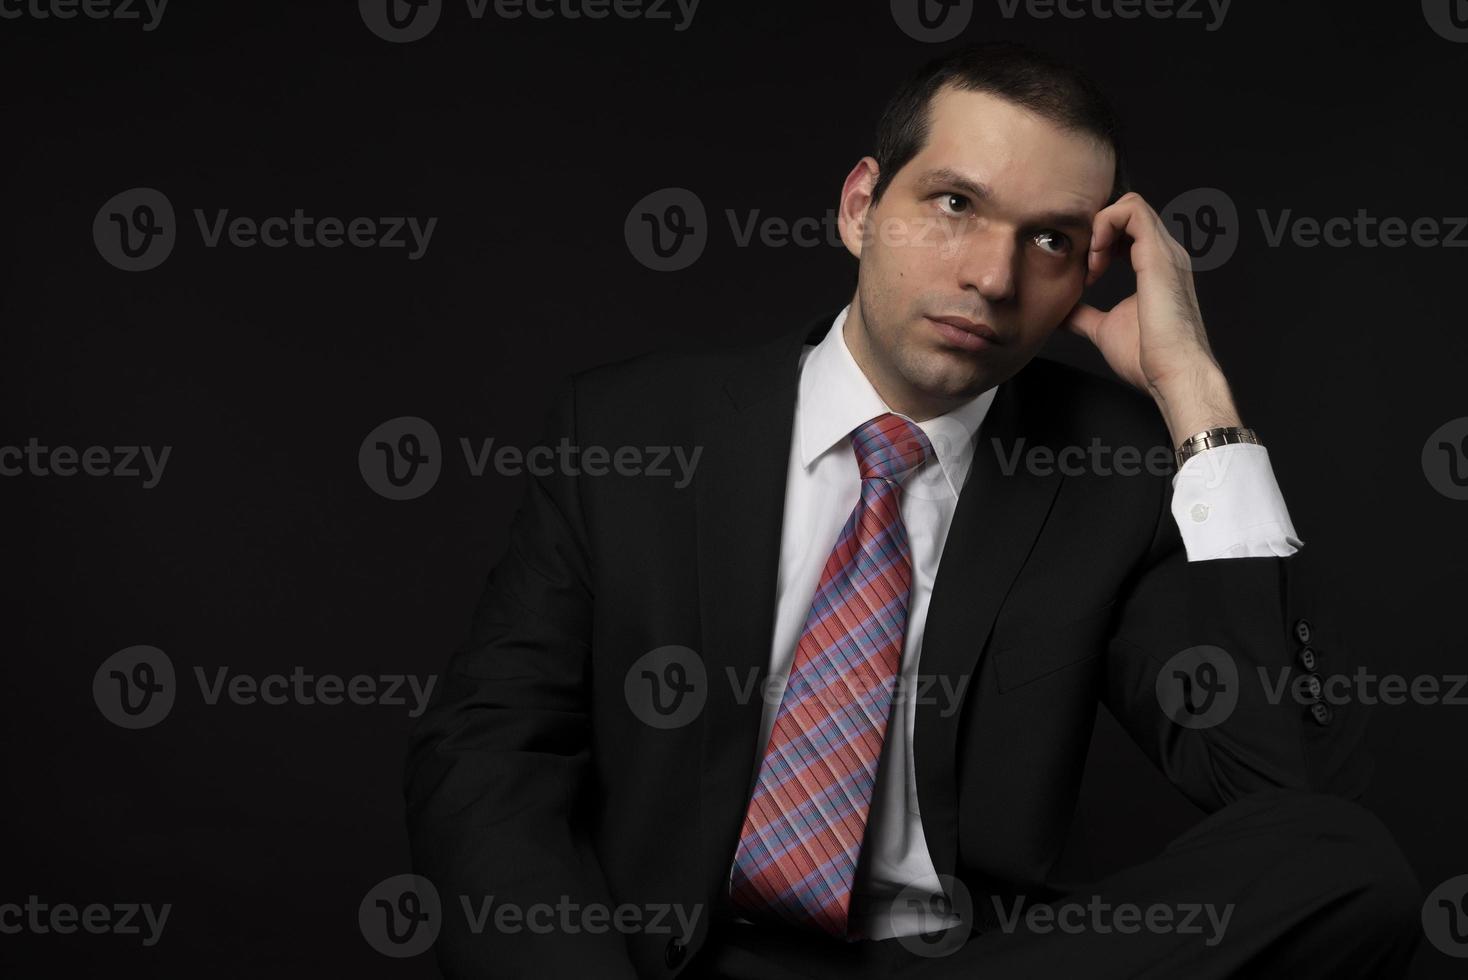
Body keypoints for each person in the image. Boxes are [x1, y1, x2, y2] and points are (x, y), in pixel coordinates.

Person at [404, 41, 1421, 979]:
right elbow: (490, 749)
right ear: (859, 206)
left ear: (1087, 271)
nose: (990, 275)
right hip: (675, 958)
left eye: (1050, 239)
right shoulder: (630, 426)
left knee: (1346, 861)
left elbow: (1287, 787)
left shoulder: (1115, 470)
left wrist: (1194, 394)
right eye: (952, 205)